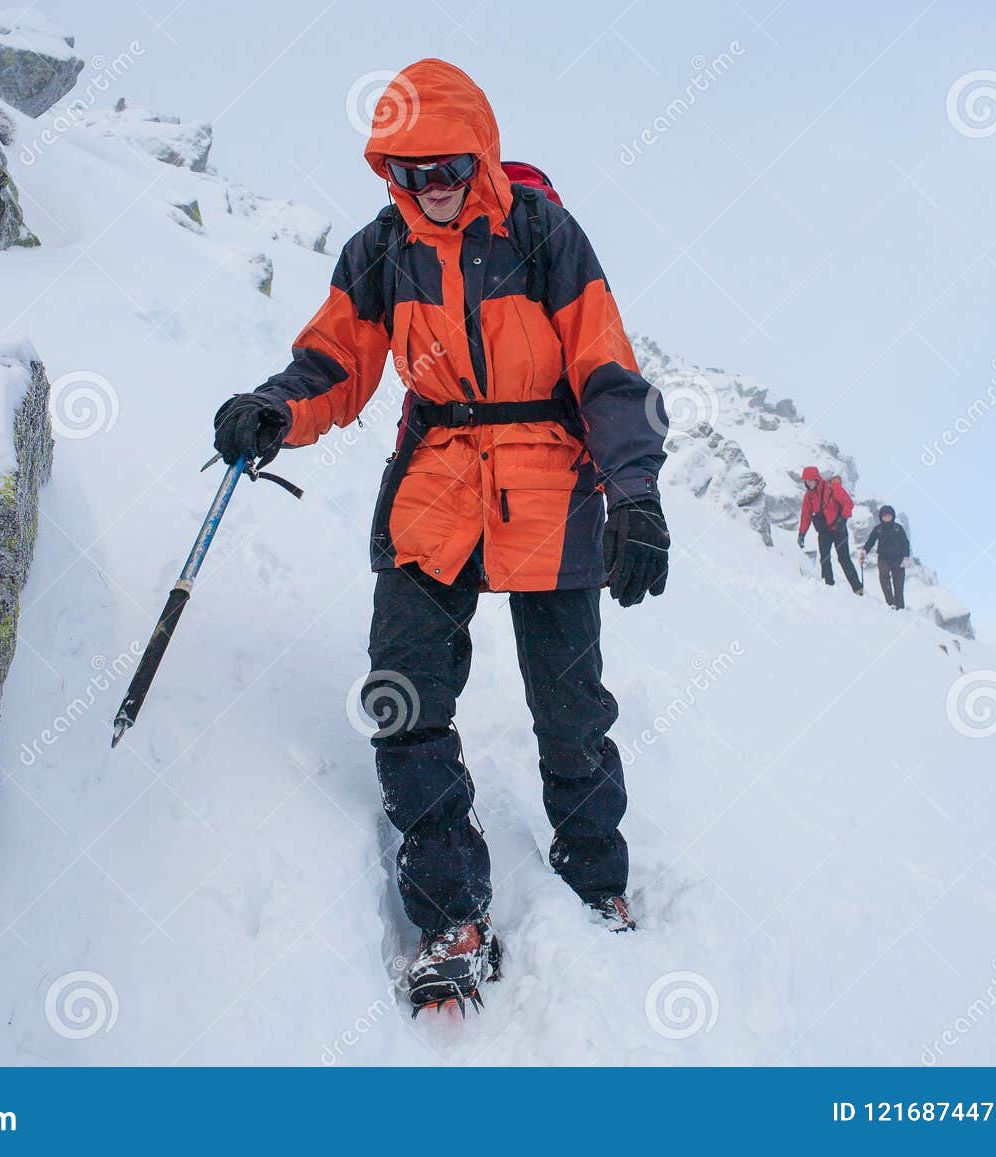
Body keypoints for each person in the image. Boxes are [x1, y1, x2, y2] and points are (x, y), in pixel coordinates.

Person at [210, 59, 668, 1015]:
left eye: (447, 168)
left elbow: (606, 366)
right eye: (409, 173)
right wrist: (273, 410)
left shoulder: (543, 233)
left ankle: (597, 878)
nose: (431, 190)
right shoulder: (384, 248)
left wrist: (635, 492)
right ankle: (450, 910)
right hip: (435, 487)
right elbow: (334, 361)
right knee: (402, 697)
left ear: (481, 154)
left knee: (571, 712)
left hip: (550, 480)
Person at [797, 465, 861, 594]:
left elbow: (848, 503)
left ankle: (857, 588)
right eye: (806, 481)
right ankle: (829, 586)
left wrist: (843, 519)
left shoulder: (832, 488)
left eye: (810, 480)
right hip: (824, 532)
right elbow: (806, 516)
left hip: (839, 530)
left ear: (816, 479)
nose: (808, 484)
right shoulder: (808, 497)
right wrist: (802, 534)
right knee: (824, 558)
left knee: (844, 559)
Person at [860, 504, 911, 609]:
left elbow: (905, 543)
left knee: (899, 585)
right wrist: (864, 551)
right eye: (884, 515)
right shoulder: (878, 529)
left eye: (888, 515)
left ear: (892, 516)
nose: (886, 517)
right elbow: (870, 541)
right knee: (884, 579)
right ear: (881, 517)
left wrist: (906, 557)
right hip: (883, 559)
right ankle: (891, 603)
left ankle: (900, 608)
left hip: (898, 560)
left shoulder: (898, 528)